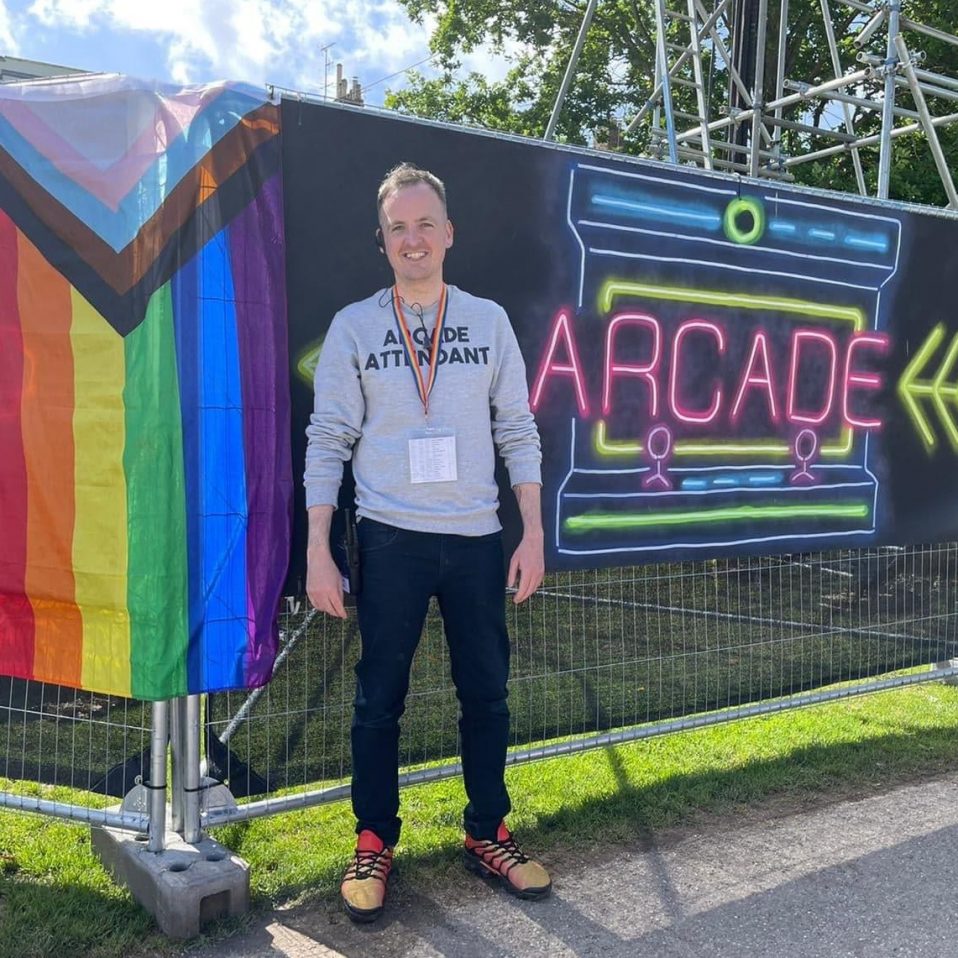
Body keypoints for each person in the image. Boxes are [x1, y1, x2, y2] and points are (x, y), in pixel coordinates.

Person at [304, 162, 551, 923]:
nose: (412, 240)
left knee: (487, 697)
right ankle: (374, 840)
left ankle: (487, 832)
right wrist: (318, 544)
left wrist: (533, 532)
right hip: (390, 540)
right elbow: (328, 439)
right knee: (379, 702)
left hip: (478, 539)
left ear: (449, 234)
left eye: (424, 225)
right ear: (382, 243)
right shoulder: (354, 326)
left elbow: (517, 428)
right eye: (397, 228)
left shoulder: (488, 321)